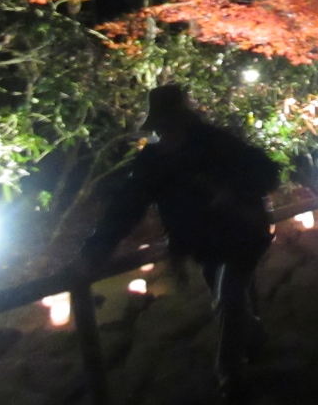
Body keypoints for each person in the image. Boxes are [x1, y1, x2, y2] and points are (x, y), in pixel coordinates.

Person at [80, 85, 280, 403]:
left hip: (242, 233)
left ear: (183, 121)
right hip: (205, 243)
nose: (166, 134)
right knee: (229, 298)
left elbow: (266, 171)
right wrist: (97, 247)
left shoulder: (217, 143)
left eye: (170, 126)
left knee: (228, 297)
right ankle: (254, 336)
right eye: (162, 128)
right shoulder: (153, 161)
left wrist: (233, 190)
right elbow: (127, 206)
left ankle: (230, 376)